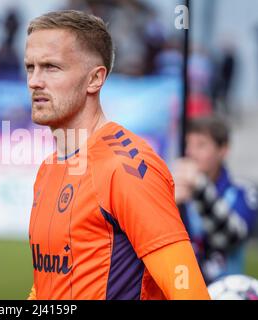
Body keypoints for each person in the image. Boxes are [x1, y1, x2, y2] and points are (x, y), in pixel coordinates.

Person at [24, 10, 210, 300]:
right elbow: (46, 288)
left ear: (95, 79)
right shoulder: (48, 168)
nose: (35, 81)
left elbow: (190, 293)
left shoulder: (127, 167)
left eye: (51, 67)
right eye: (30, 67)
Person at [174, 116, 257, 284]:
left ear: (223, 150)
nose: (191, 152)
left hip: (224, 290)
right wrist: (168, 206)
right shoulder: (178, 193)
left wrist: (199, 186)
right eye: (188, 144)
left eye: (201, 145)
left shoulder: (243, 192)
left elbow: (230, 237)